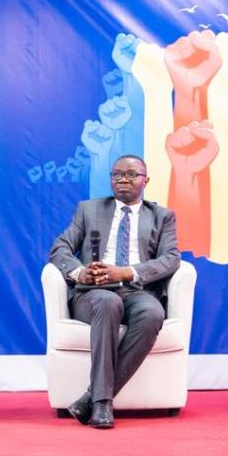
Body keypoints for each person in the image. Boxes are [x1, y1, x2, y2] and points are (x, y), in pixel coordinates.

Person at [48, 154, 180, 429]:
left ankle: (91, 398)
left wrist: (127, 272)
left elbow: (171, 259)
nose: (123, 180)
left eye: (131, 175)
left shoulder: (162, 216)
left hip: (135, 290)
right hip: (92, 292)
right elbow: (59, 248)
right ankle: (102, 405)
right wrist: (79, 272)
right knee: (108, 302)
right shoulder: (88, 209)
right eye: (117, 174)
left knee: (153, 312)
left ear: (146, 180)